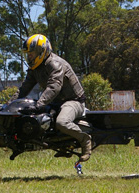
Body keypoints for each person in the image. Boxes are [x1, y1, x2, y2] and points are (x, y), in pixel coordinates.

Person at [10, 34, 92, 162]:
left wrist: (39, 104)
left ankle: (85, 140)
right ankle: (63, 145)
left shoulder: (55, 64)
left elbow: (54, 87)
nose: (29, 57)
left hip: (73, 101)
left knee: (61, 122)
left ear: (42, 51)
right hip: (55, 103)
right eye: (28, 54)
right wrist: (9, 105)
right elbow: (24, 89)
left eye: (32, 53)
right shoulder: (35, 68)